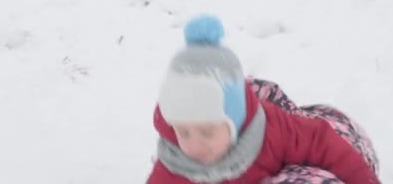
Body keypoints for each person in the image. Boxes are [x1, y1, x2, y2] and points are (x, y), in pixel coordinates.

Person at [147, 15, 380, 183]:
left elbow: (320, 140)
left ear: (236, 121)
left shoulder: (271, 131)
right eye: (183, 132)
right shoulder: (174, 161)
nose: (194, 145)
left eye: (207, 132)